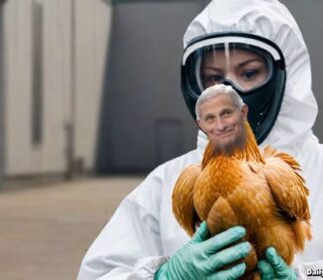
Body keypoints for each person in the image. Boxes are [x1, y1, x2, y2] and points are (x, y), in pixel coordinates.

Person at [77, 0, 323, 279]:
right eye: (213, 78)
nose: (227, 92)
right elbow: (98, 274)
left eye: (249, 73)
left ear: (286, 75)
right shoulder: (169, 185)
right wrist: (163, 277)